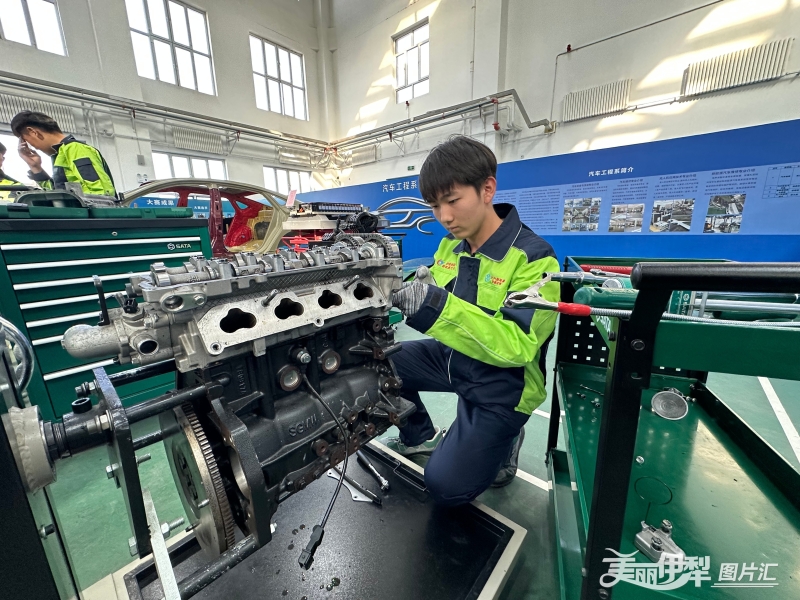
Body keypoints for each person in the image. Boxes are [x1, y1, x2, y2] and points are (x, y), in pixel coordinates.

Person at [386, 136, 560, 506]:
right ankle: (420, 435)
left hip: (504, 382)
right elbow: (431, 285)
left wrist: (435, 306)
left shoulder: (535, 259)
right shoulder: (450, 245)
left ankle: (506, 439)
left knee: (446, 487)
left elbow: (517, 345)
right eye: (435, 206)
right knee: (379, 363)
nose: (444, 217)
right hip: (453, 359)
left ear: (487, 189)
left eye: (452, 201)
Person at [11, 111, 117, 197]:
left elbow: (101, 194)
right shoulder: (62, 154)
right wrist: (36, 167)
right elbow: (58, 193)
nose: (33, 147)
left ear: (33, 132)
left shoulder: (75, 149)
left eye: (26, 140)